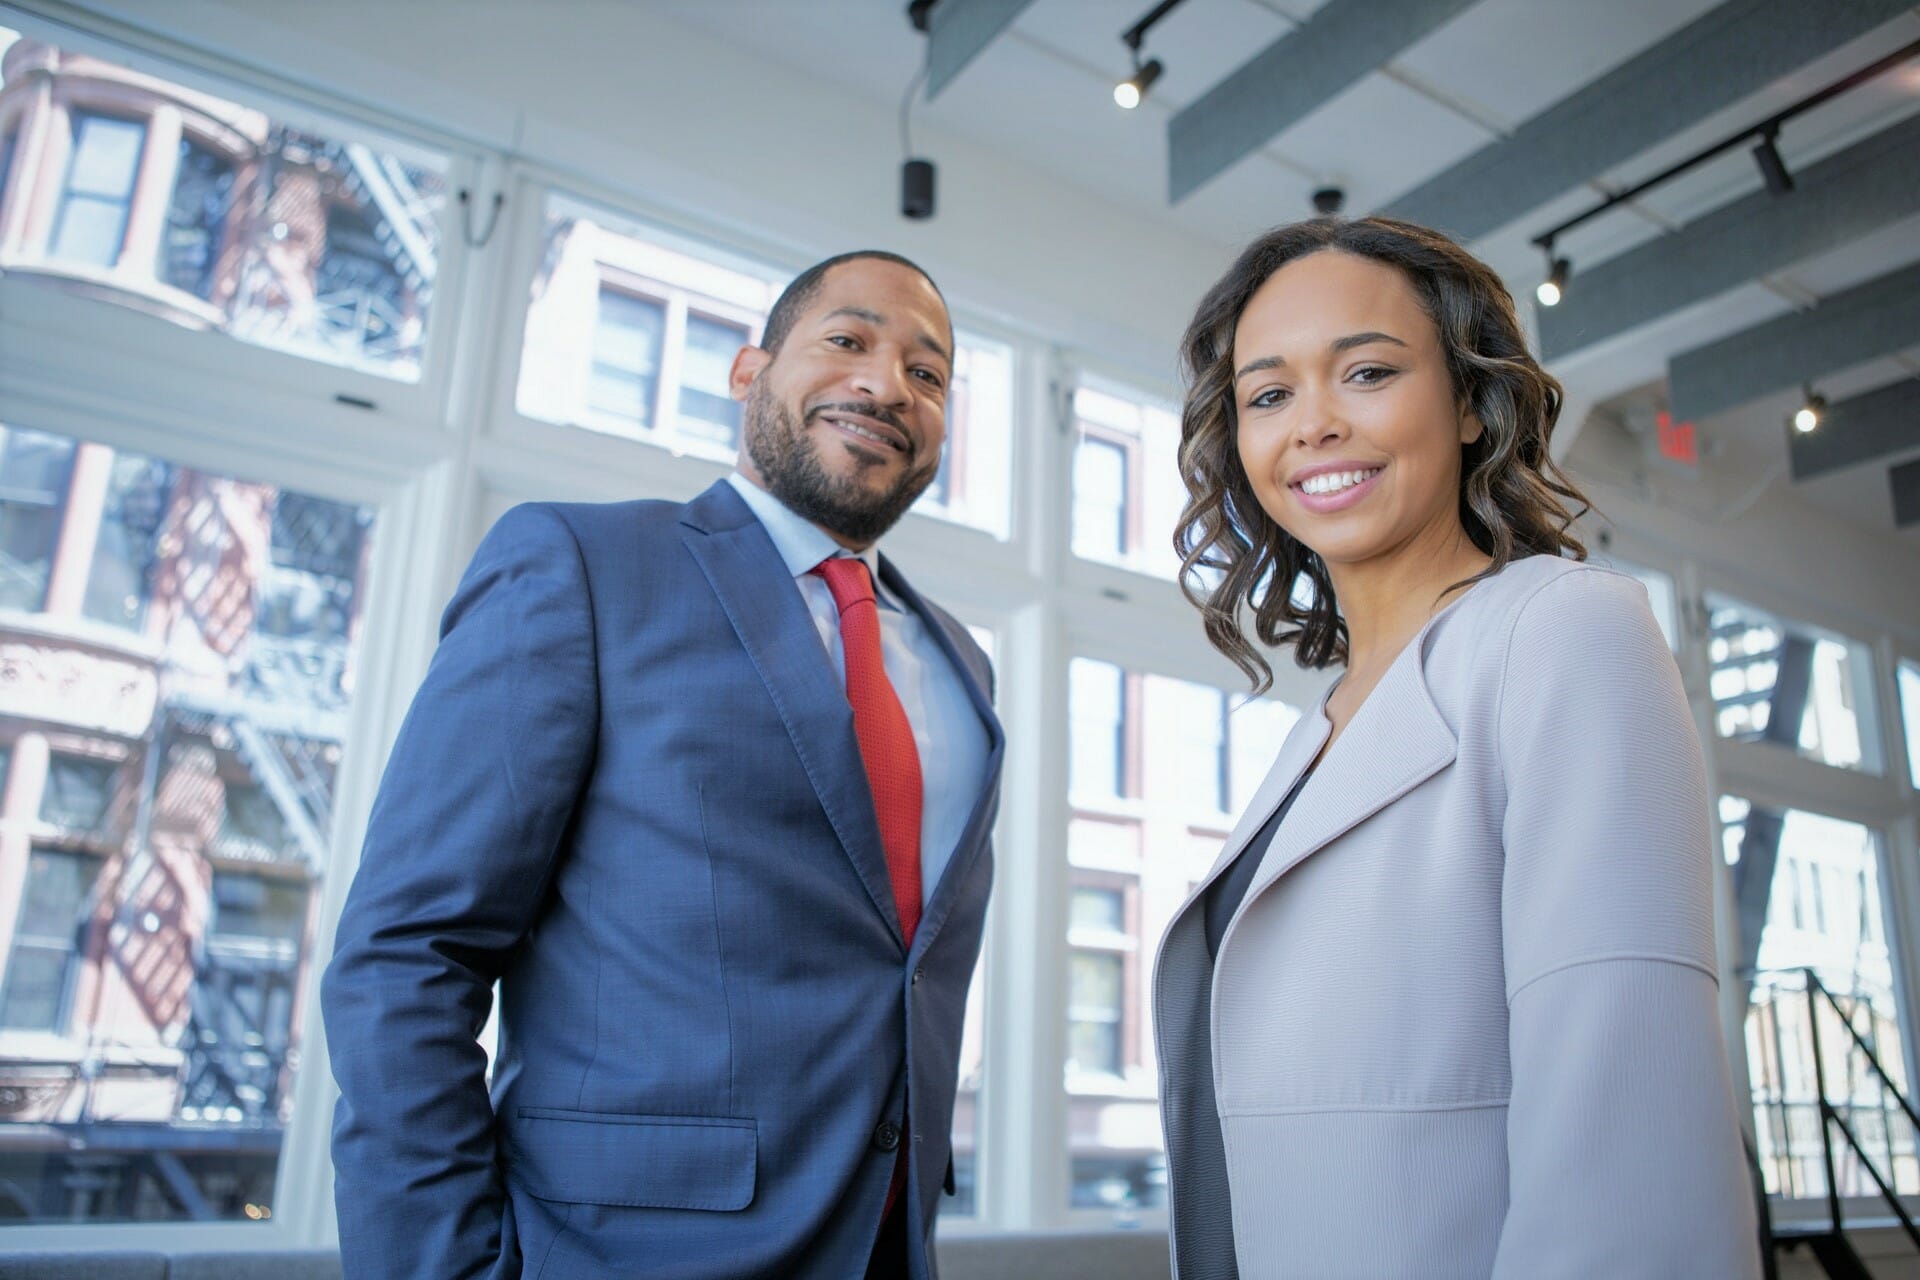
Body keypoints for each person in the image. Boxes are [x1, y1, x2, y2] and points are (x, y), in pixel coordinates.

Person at [322, 250, 1003, 1280]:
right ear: (748, 371)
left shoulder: (963, 664)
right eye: (849, 340)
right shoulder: (579, 566)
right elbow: (412, 952)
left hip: (887, 1246)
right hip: (616, 1247)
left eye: (928, 372)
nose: (885, 384)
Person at [1152, 216, 1760, 1279]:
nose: (1313, 425)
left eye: (1369, 371)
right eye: (1268, 394)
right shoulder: (1322, 727)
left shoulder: (1564, 629)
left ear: (1473, 403)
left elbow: (1630, 1144)